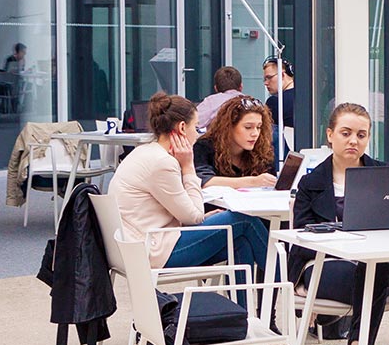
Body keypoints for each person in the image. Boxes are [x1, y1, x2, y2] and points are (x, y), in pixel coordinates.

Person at [287, 103, 389, 345]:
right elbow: (300, 241)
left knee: (376, 267)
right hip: (328, 268)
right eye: (346, 133)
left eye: (361, 135)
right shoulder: (311, 184)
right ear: (330, 135)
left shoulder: (384, 175)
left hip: (376, 267)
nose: (354, 140)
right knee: (372, 274)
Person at [109, 91, 269, 281]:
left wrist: (202, 214)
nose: (198, 132)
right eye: (196, 126)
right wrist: (188, 167)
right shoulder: (162, 162)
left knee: (241, 243)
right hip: (152, 251)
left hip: (141, 245)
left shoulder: (145, 152)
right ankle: (288, 281)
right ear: (183, 127)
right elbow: (194, 217)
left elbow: (186, 212)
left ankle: (247, 311)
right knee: (244, 219)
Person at [194, 95, 278, 189]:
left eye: (258, 127)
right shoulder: (204, 147)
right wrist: (253, 181)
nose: (255, 133)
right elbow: (203, 181)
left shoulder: (263, 150)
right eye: (248, 127)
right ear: (229, 127)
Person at [194, 66, 244, 132]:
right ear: (241, 86)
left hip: (218, 141)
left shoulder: (211, 102)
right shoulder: (250, 102)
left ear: (216, 88)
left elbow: (193, 122)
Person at [262, 56, 296, 132]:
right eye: (265, 79)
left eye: (269, 77)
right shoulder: (308, 96)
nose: (266, 83)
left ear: (282, 75)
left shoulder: (275, 101)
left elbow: (267, 132)